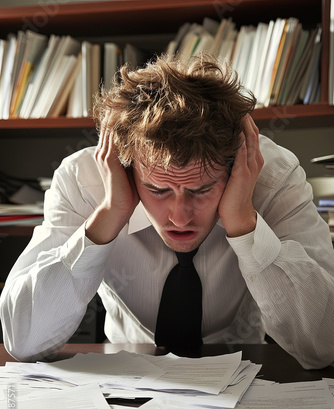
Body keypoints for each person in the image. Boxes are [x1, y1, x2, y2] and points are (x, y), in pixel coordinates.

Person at [1, 53, 334, 369]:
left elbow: (324, 345)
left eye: (201, 189)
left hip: (246, 371)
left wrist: (244, 224)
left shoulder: (270, 176)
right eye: (158, 189)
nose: (179, 216)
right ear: (127, 168)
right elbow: (23, 341)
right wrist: (106, 217)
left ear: (234, 169)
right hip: (128, 377)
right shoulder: (84, 181)